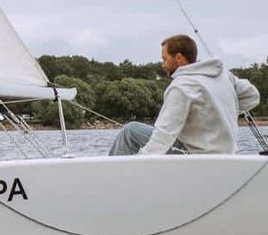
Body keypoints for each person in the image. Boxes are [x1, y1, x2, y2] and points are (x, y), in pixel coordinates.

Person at [109, 35, 260, 156]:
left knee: (130, 130)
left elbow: (162, 139)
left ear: (179, 58)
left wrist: (143, 163)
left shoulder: (181, 86)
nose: (163, 64)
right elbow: (253, 96)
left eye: (165, 59)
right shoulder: (223, 75)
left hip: (194, 155)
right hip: (228, 154)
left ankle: (113, 179)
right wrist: (216, 113)